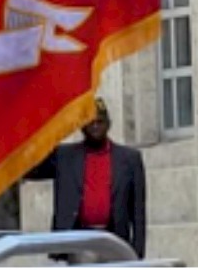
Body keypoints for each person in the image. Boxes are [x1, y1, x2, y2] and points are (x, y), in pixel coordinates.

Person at [27, 100, 146, 259]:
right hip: (79, 241)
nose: (95, 126)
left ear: (108, 124)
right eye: (90, 122)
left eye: (99, 122)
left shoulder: (130, 159)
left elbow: (138, 213)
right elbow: (31, 170)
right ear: (82, 126)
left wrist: (137, 255)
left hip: (115, 241)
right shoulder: (65, 156)